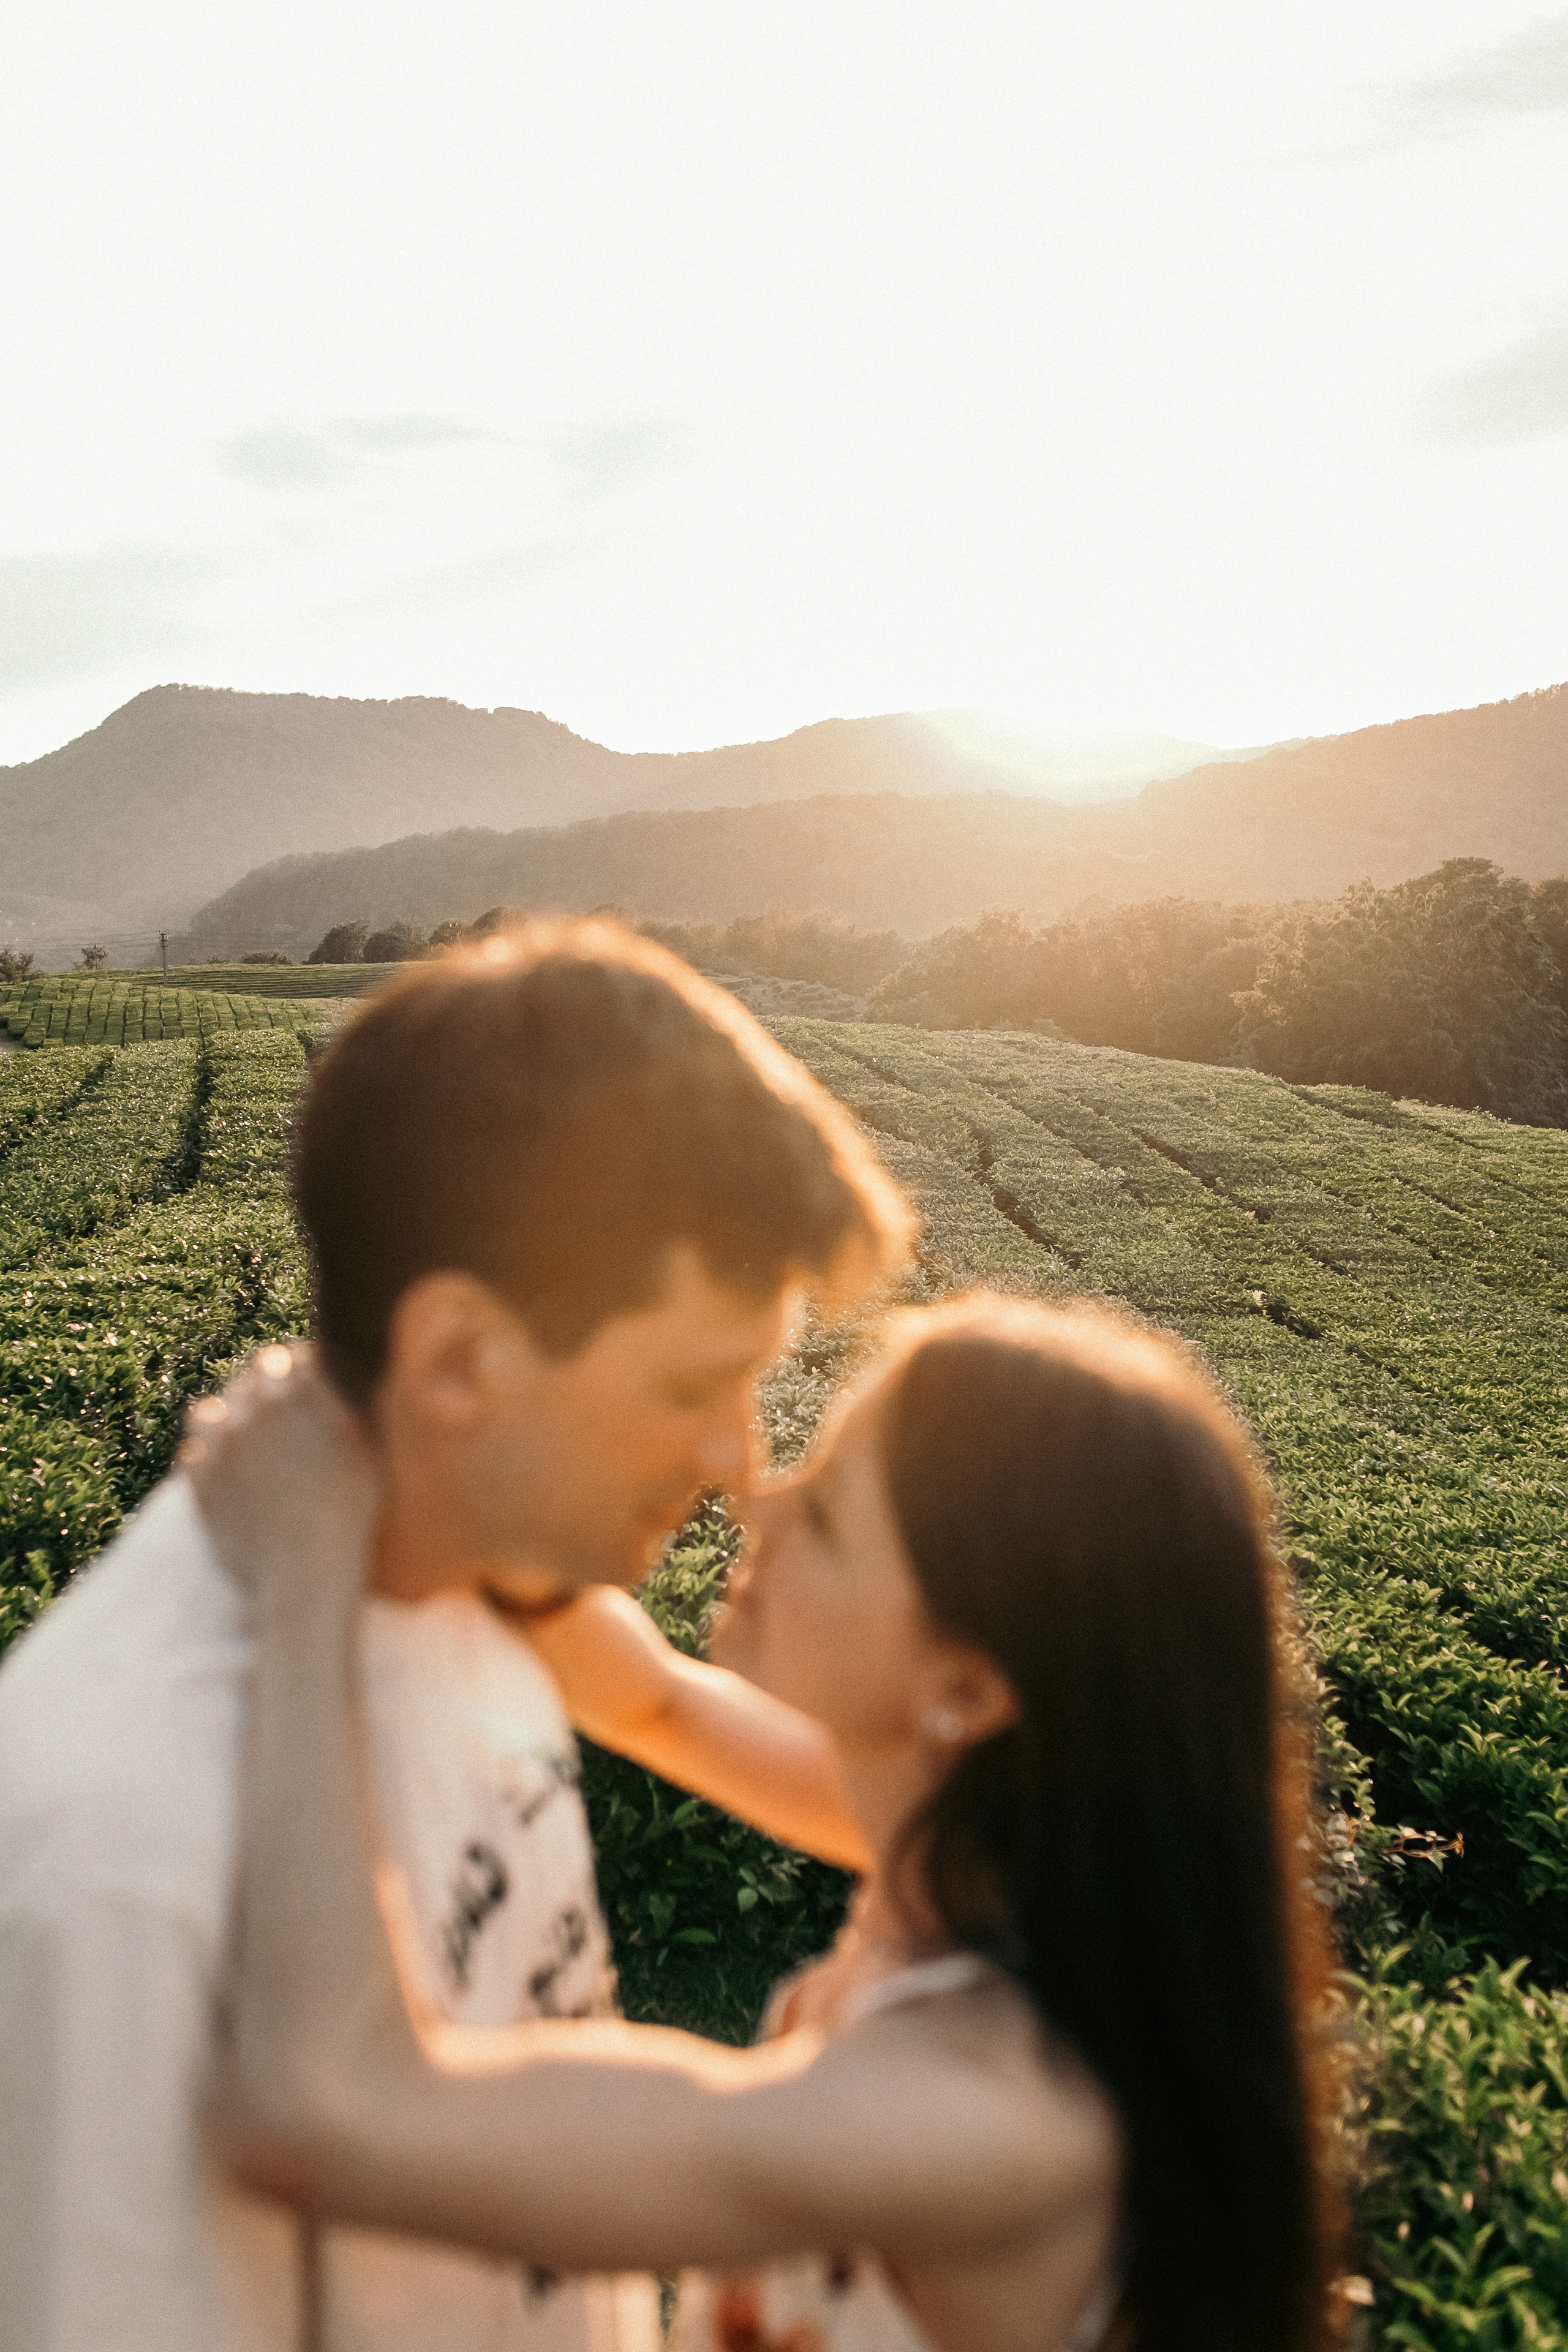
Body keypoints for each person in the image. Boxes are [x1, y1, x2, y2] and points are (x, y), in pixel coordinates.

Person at [0, 919, 910, 2352]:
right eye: (693, 1386)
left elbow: (708, 1725)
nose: (739, 1460)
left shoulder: (499, 1584)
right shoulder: (114, 1848)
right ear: (457, 1359)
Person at [200, 1294, 1349, 2352]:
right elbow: (651, 1700)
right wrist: (467, 1490)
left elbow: (323, 2109)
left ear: (964, 1691)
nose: (760, 1498)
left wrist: (303, 1578)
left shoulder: (981, 2120)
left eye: (831, 1514)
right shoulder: (977, 1857)